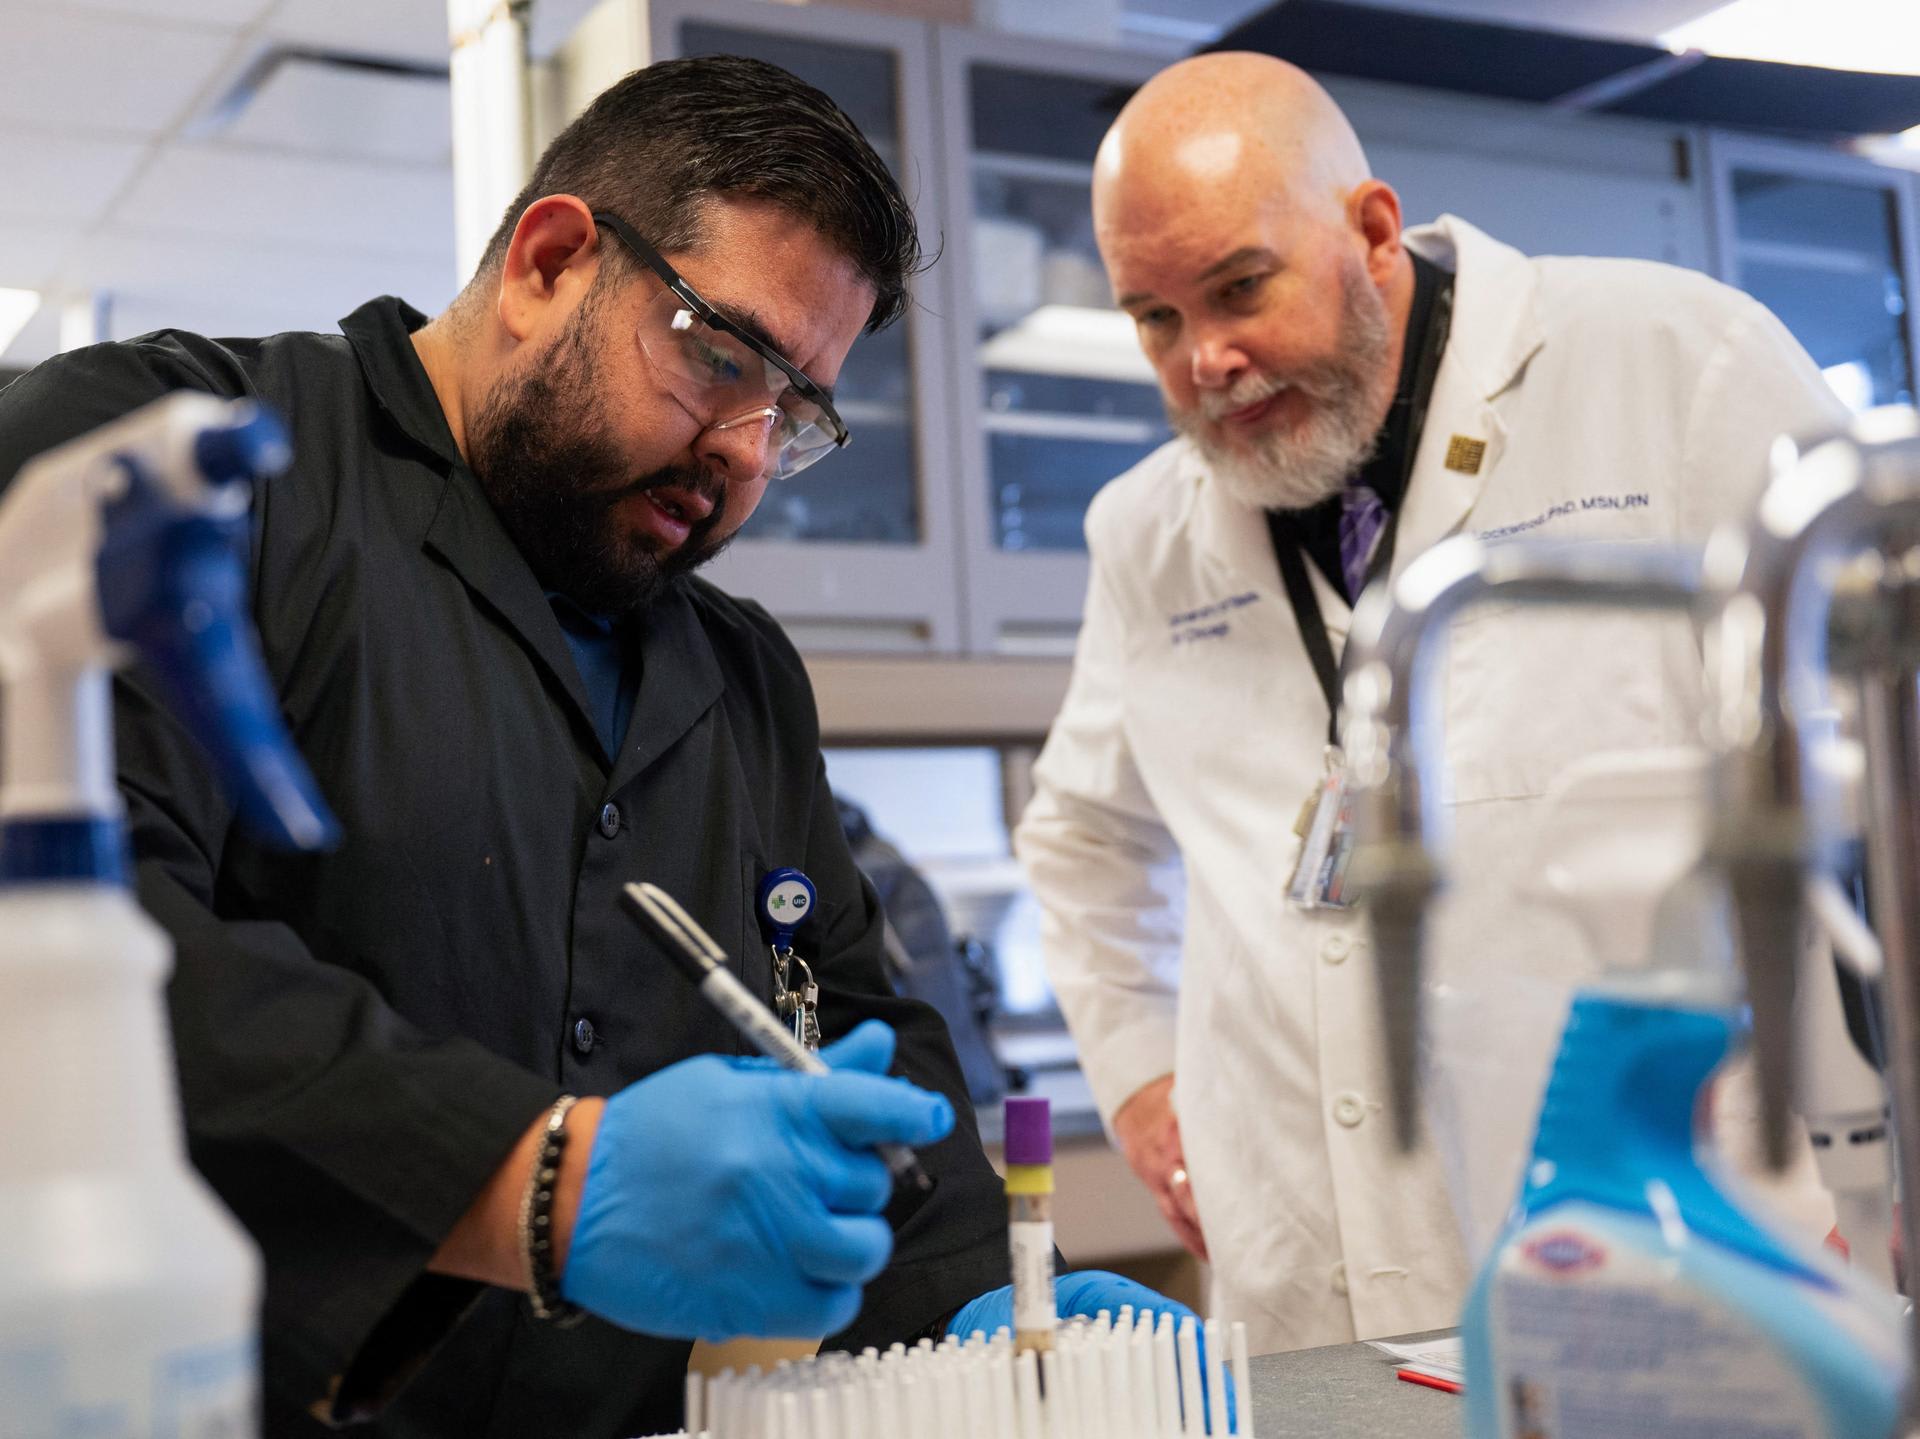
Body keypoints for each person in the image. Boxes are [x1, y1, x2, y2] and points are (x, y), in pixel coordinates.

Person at [0, 56, 1188, 1438]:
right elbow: (57, 945)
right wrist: (528, 1178)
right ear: (551, 262)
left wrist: (983, 1288)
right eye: (720, 355)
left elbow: (857, 1028)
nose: (746, 452)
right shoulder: (161, 478)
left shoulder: (738, 681)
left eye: (795, 414)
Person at [1013, 50, 1850, 1354]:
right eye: (1155, 320)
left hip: (1678, 1258)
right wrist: (1136, 1081)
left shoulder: (1675, 365)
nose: (1208, 360)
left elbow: (1880, 769)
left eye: (1239, 287)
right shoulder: (1145, 534)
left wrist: (1871, 1157)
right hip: (1308, 1284)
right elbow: (1080, 842)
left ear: (1373, 230)